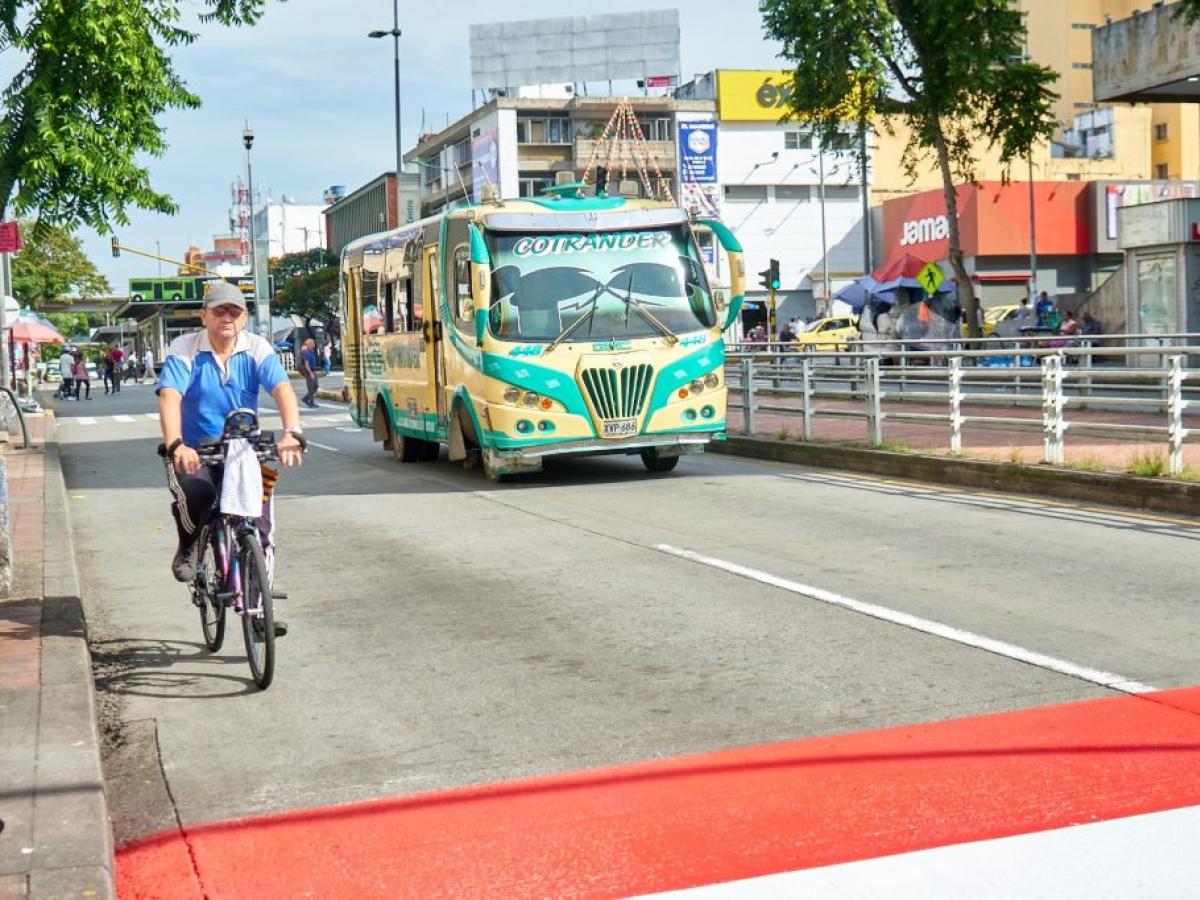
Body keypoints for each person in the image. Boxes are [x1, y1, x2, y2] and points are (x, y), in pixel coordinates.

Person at [157, 280, 304, 609]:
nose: (227, 317)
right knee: (199, 494)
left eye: (234, 311)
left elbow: (282, 389)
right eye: (219, 310)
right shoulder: (185, 349)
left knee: (260, 524)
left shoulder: (256, 348)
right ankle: (189, 544)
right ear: (203, 315)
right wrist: (177, 444)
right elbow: (169, 397)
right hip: (196, 451)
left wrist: (291, 431)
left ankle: (258, 607)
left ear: (244, 318)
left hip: (244, 450)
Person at [298, 337, 320, 408]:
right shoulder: (305, 351)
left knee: (316, 386)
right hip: (309, 371)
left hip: (313, 370)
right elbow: (306, 364)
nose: (314, 344)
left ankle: (305, 399)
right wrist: (310, 373)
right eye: (312, 343)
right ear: (309, 344)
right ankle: (311, 403)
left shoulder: (311, 351)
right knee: (311, 388)